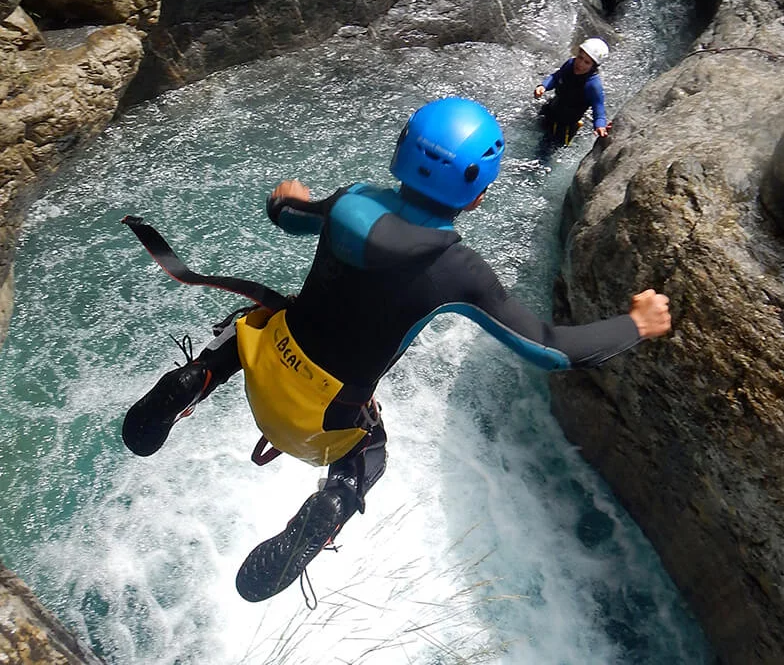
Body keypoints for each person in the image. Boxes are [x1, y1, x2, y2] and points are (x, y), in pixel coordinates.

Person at [121, 97, 672, 604]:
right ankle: (329, 508)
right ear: (479, 193)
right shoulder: (458, 271)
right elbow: (550, 350)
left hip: (260, 362)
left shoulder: (350, 201)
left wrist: (287, 199)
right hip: (318, 420)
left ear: (401, 151)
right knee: (372, 454)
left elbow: (285, 216)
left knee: (257, 317)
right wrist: (635, 324)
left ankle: (195, 377)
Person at [534, 38, 610, 147]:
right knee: (537, 126)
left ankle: (577, 127)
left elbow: (598, 107)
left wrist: (600, 125)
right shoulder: (570, 64)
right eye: (580, 57)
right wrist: (543, 86)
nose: (580, 64)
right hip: (552, 108)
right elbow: (556, 77)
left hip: (566, 124)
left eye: (587, 62)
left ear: (593, 66)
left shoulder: (593, 85)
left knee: (546, 148)